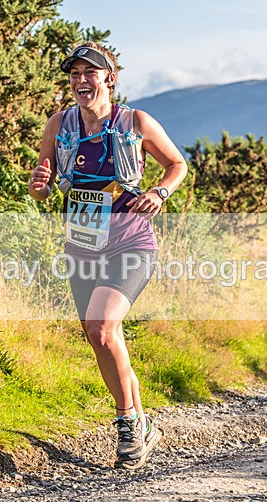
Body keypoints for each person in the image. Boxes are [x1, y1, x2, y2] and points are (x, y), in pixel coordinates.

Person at [29, 42, 187, 470]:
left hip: (131, 242)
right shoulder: (58, 125)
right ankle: (140, 423)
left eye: (90, 73)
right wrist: (39, 183)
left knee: (101, 327)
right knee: (101, 337)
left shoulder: (135, 122)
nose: (81, 81)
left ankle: (125, 423)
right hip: (81, 245)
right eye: (74, 74)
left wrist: (159, 192)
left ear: (109, 79)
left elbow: (177, 164)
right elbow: (42, 188)